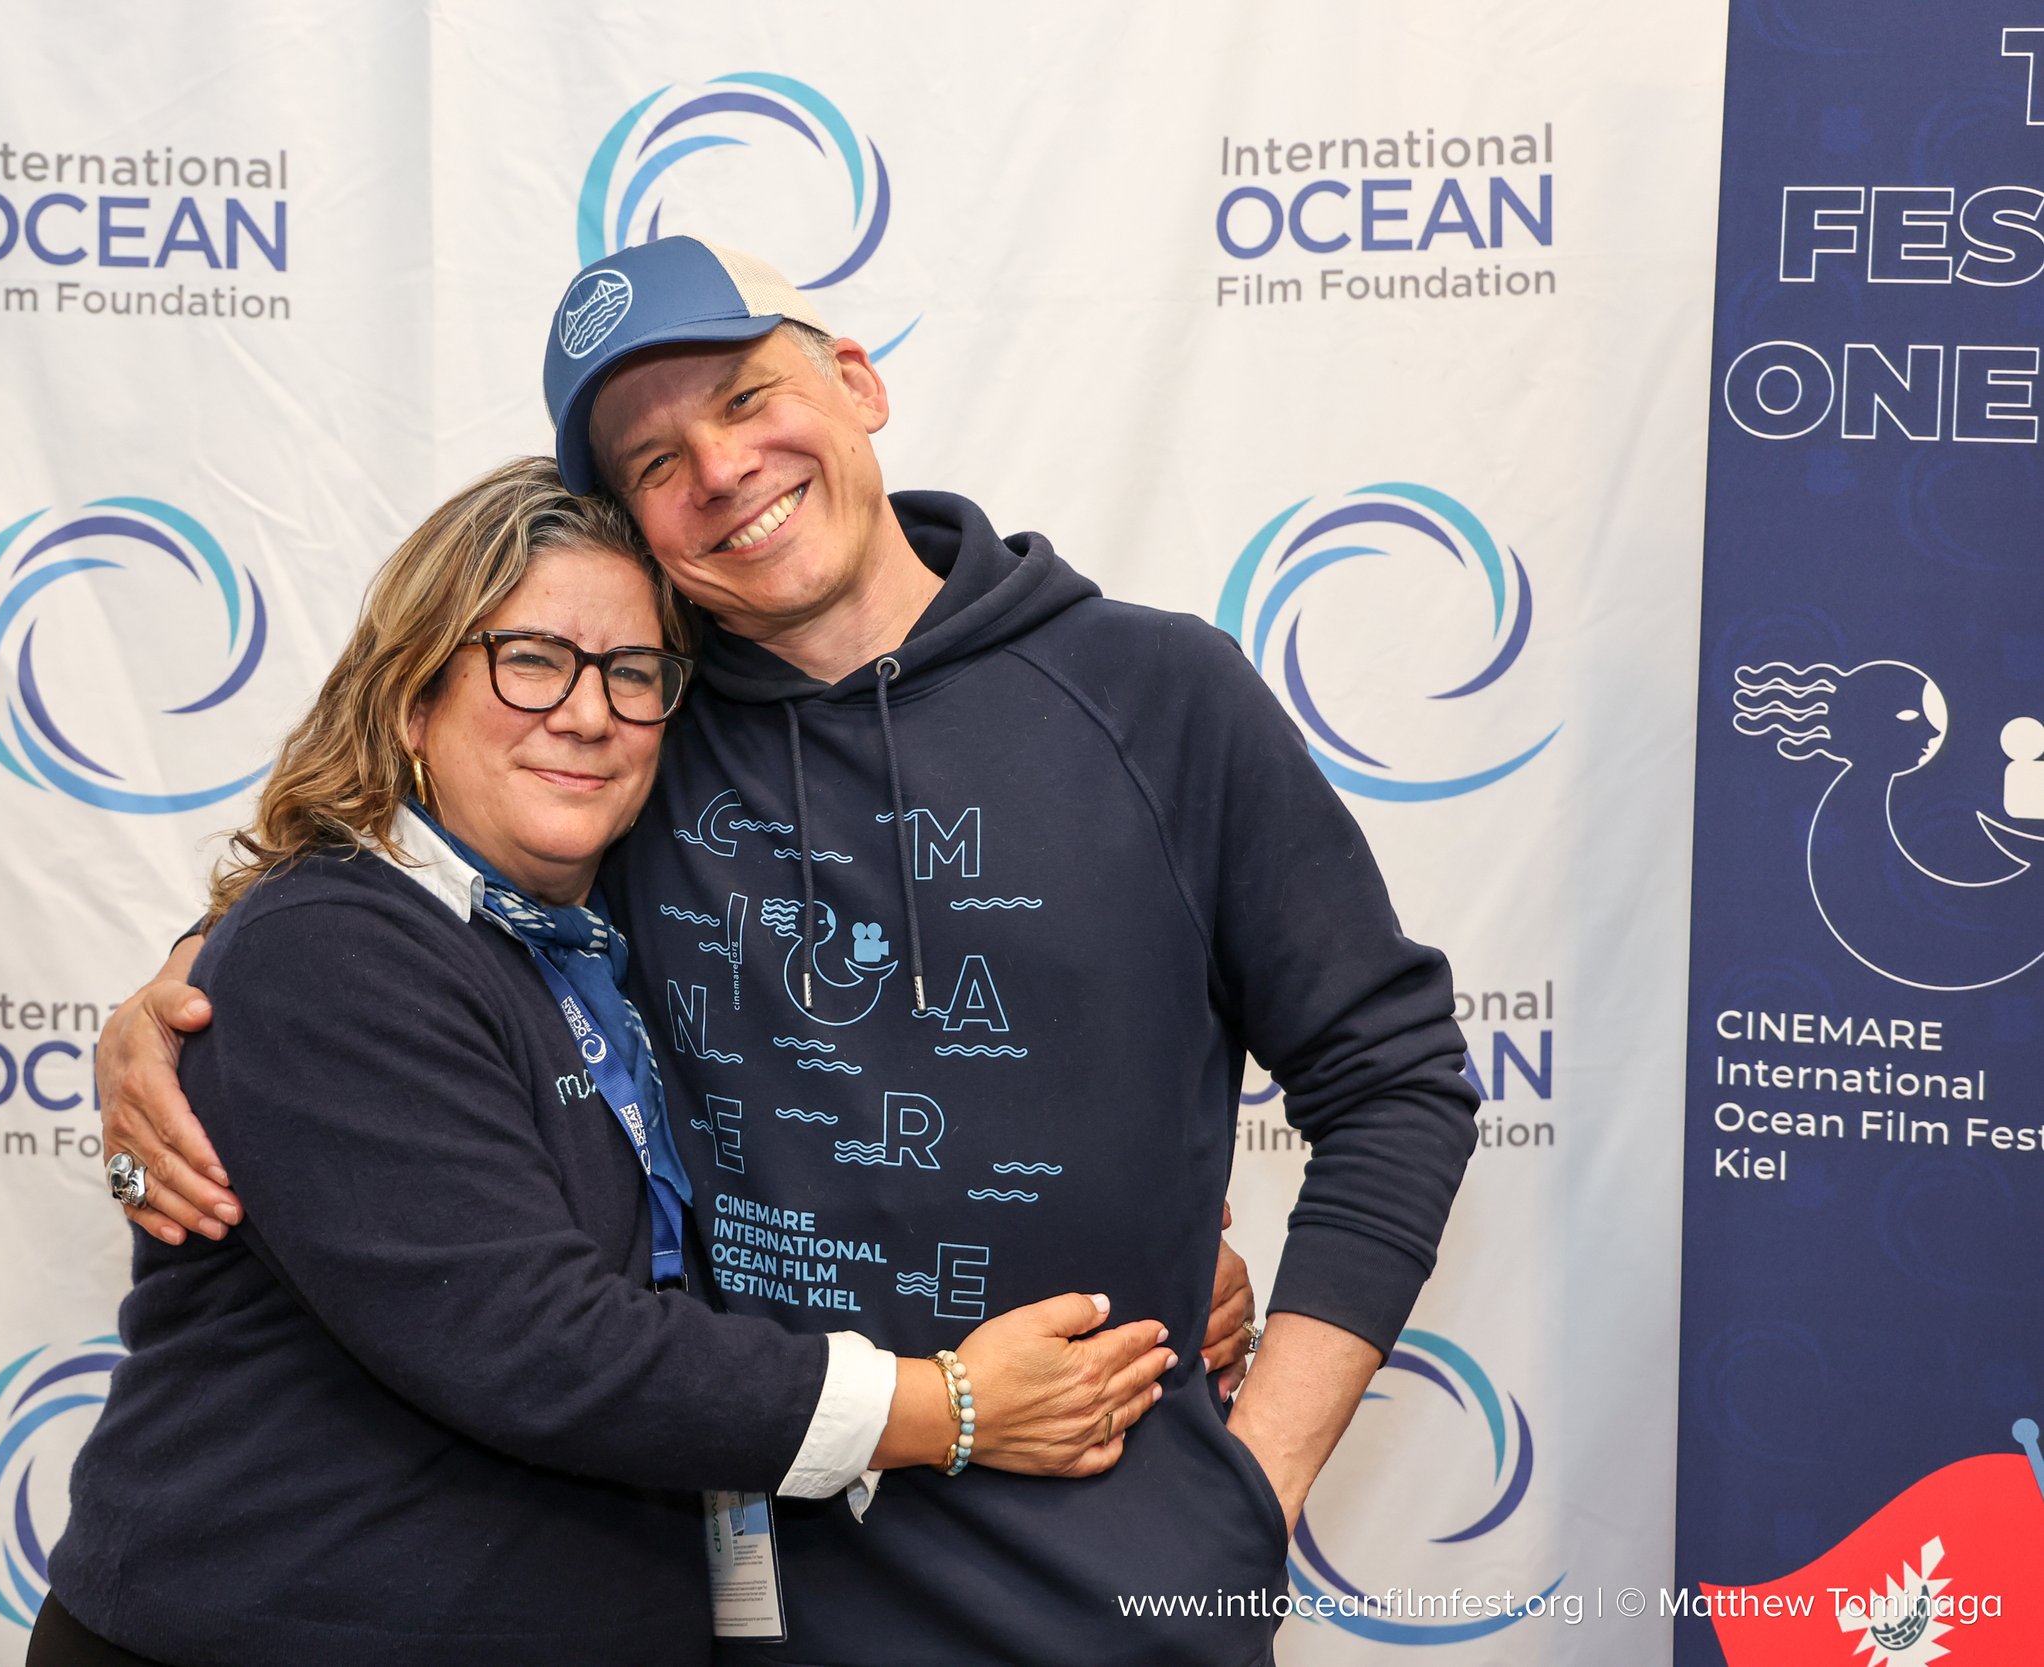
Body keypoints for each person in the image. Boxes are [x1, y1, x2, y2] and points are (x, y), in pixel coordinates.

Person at [103, 239, 1479, 1666]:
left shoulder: (1158, 695)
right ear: (638, 528)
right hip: (716, 1598)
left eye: (751, 396)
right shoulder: (632, 737)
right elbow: (400, 903)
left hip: (1110, 1595)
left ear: (857, 385)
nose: (720, 464)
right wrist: (181, 992)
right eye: (654, 459)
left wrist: (1252, 1482)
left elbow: (1393, 1082)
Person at [33, 459, 1186, 1667]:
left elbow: (848, 1137)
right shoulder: (333, 947)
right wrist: (943, 1405)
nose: (587, 712)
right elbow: (537, 1343)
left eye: (634, 674)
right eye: (531, 657)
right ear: (411, 693)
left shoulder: (605, 935)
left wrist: (1123, 1241)